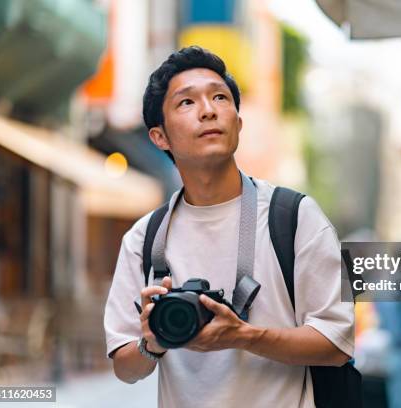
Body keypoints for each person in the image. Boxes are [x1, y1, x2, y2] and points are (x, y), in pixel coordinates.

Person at [103, 46, 354, 407]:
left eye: (220, 97)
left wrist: (244, 336)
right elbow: (124, 369)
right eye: (186, 103)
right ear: (159, 137)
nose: (208, 110)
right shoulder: (144, 239)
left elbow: (338, 343)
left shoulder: (296, 217)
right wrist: (152, 342)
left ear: (237, 121)